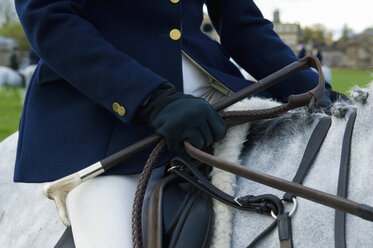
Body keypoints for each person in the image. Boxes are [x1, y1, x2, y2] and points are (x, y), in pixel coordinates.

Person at [14, 0, 333, 247]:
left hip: (216, 97)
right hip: (106, 115)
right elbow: (49, 18)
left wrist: (314, 91)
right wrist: (149, 98)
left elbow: (244, 27)